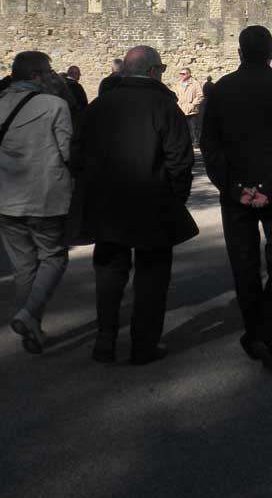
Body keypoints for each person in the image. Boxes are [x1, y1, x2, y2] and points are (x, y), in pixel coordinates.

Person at [76, 46, 197, 365]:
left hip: (108, 205)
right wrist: (176, 199)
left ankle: (105, 340)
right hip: (152, 202)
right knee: (152, 277)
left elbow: (77, 157)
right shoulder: (164, 106)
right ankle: (143, 344)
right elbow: (180, 161)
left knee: (109, 274)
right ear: (154, 71)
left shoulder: (99, 106)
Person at [201, 26, 272, 372]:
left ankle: (257, 331)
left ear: (239, 51)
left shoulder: (219, 92)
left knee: (245, 267)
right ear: (271, 51)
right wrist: (269, 187)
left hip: (237, 195)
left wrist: (237, 189)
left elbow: (211, 148)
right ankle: (267, 333)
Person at [0, 51, 73, 354]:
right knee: (54, 257)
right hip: (45, 198)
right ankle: (29, 315)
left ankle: (32, 327)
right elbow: (67, 152)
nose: (49, 76)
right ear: (36, 75)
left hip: (6, 200)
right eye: (47, 72)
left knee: (25, 267)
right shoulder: (55, 105)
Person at [176, 67, 204, 147]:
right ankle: (185, 142)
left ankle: (196, 142)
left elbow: (200, 95)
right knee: (183, 127)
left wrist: (193, 104)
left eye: (183, 74)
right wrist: (177, 104)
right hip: (181, 108)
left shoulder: (195, 83)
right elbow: (176, 95)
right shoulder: (178, 83)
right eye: (180, 73)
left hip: (192, 109)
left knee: (193, 127)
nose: (181, 75)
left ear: (189, 74)